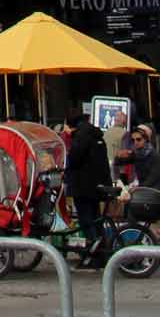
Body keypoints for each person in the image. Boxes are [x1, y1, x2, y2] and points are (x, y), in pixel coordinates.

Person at [64, 111, 113, 265]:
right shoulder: (95, 135)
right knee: (95, 219)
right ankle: (102, 252)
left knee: (87, 221)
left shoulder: (81, 137)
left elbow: (74, 159)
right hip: (97, 185)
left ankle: (95, 254)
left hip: (83, 185)